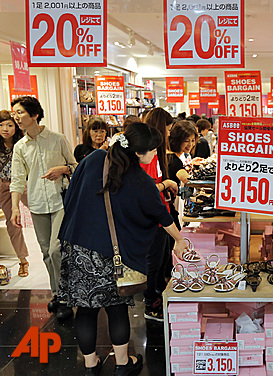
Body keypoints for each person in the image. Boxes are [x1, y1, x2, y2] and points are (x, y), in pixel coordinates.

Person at [58, 122, 188, 375]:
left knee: (85, 310)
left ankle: (91, 365)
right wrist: (180, 240)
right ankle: (122, 364)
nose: (153, 155)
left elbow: (72, 193)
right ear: (140, 152)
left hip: (79, 248)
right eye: (152, 151)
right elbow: (160, 213)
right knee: (117, 309)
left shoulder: (94, 158)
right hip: (114, 255)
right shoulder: (139, 177)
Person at [10, 96, 77, 320]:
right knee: (46, 254)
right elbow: (17, 179)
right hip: (37, 204)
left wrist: (63, 168)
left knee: (56, 249)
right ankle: (58, 294)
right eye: (14, 114)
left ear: (34, 114)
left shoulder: (57, 139)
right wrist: (15, 207)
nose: (16, 117)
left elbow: (75, 166)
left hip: (60, 201)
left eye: (19, 112)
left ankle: (66, 296)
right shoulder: (20, 147)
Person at [142, 108, 179, 321]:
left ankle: (157, 298)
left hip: (159, 216)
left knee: (161, 258)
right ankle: (151, 305)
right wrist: (167, 183)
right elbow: (144, 189)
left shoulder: (155, 153)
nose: (168, 133)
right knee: (154, 263)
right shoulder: (148, 155)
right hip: (152, 220)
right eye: (167, 128)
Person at [0, 110, 29, 277]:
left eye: (9, 125)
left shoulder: (23, 142)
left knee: (41, 213)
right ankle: (23, 260)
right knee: (13, 224)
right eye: (1, 125)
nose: (5, 129)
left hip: (23, 183)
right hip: (3, 186)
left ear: (15, 127)